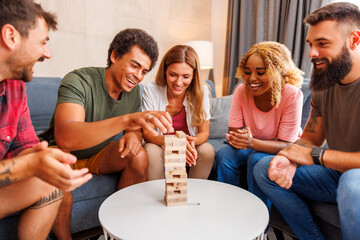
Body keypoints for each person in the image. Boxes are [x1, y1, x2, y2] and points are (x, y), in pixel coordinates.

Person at [39, 28, 174, 239]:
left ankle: (119, 232)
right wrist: (126, 121)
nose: (138, 76)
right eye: (134, 65)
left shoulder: (133, 91)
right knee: (60, 169)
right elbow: (66, 138)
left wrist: (132, 135)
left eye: (144, 71)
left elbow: (133, 127)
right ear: (114, 56)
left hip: (97, 154)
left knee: (138, 156)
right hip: (61, 153)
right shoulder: (78, 80)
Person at [253, 2, 360, 240]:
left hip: (354, 179)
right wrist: (288, 158)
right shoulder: (325, 83)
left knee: (353, 182)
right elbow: (311, 137)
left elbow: (315, 152)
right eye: (311, 44)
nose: (311, 53)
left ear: (354, 40)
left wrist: (315, 156)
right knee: (264, 168)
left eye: (322, 44)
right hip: (337, 174)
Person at [0, 0, 92, 239]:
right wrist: (30, 164)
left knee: (52, 179)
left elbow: (24, 148)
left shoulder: (15, 87)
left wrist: (41, 157)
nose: (47, 53)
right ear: (10, 36)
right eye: (42, 42)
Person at [215, 41, 304, 204]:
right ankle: (228, 206)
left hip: (280, 147)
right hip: (252, 143)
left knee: (257, 160)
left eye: (261, 72)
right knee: (224, 155)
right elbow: (235, 134)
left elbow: (287, 144)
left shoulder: (292, 94)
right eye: (247, 72)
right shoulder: (241, 90)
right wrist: (240, 139)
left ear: (278, 72)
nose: (251, 79)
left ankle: (258, 216)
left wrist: (251, 142)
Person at [142, 45, 215, 180]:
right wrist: (175, 142)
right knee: (150, 150)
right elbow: (147, 134)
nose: (179, 82)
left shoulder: (202, 91)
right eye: (173, 75)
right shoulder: (151, 90)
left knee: (207, 150)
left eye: (186, 76)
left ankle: (194, 192)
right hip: (161, 145)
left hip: (188, 148)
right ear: (165, 71)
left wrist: (187, 144)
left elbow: (204, 133)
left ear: (193, 76)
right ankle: (157, 193)